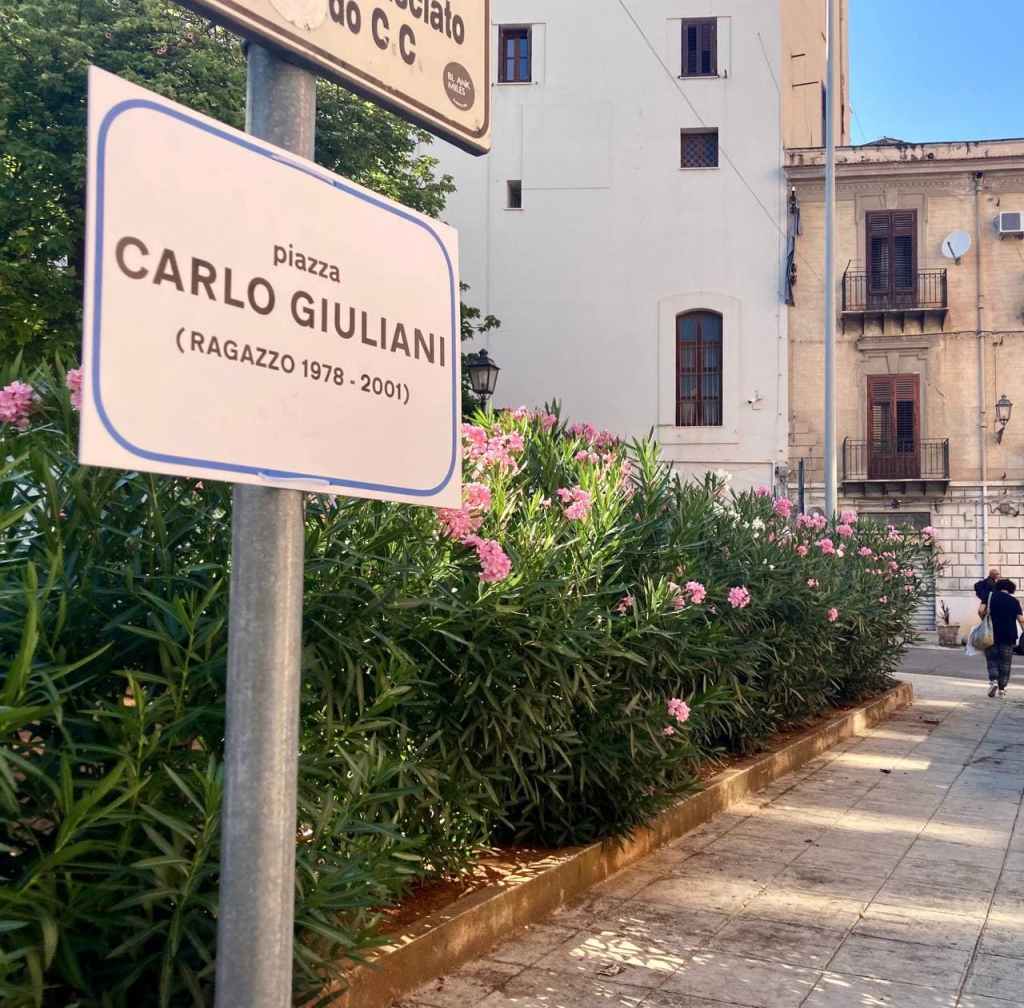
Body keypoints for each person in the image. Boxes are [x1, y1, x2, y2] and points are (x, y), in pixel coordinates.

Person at [979, 579, 1024, 698]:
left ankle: (993, 681)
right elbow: (1021, 619)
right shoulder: (1014, 601)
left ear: (997, 587)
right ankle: (1002, 689)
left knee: (992, 659)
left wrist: (984, 619)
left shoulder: (989, 596)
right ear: (1010, 589)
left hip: (991, 633)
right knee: (1005, 663)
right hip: (1009, 635)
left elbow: (980, 610)